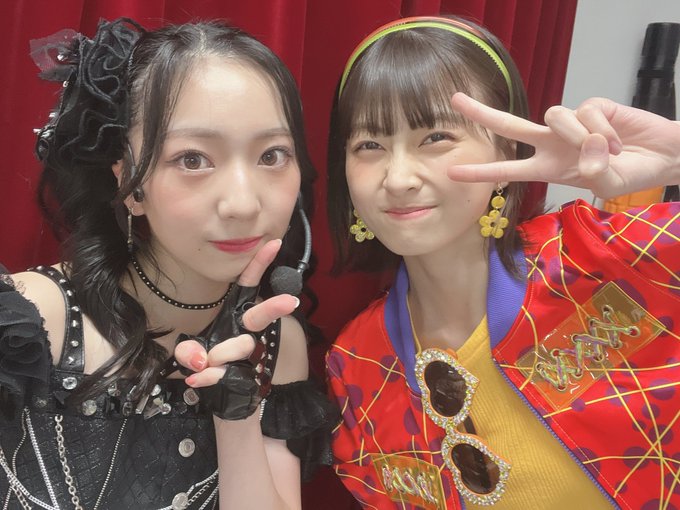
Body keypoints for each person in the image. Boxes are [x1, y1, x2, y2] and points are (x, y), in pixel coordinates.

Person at [325, 15, 680, 510]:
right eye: (369, 146)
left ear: (505, 150)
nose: (398, 178)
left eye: (435, 138)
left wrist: (676, 155)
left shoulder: (609, 256)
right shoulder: (356, 362)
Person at [0, 18, 336, 510]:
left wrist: (236, 417)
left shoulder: (275, 342)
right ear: (130, 185)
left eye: (271, 155)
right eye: (193, 159)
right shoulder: (32, 322)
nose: (243, 204)